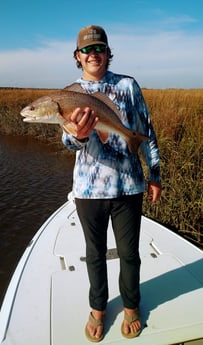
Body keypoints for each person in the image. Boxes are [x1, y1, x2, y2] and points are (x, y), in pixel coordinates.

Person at [62, 25, 161, 342]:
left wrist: (154, 174)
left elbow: (146, 129)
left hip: (129, 186)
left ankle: (132, 305)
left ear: (108, 52)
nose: (94, 54)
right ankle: (98, 308)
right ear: (78, 56)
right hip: (89, 191)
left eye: (99, 48)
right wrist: (77, 136)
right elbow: (68, 142)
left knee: (130, 253)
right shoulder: (68, 93)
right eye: (87, 50)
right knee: (94, 254)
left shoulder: (128, 86)